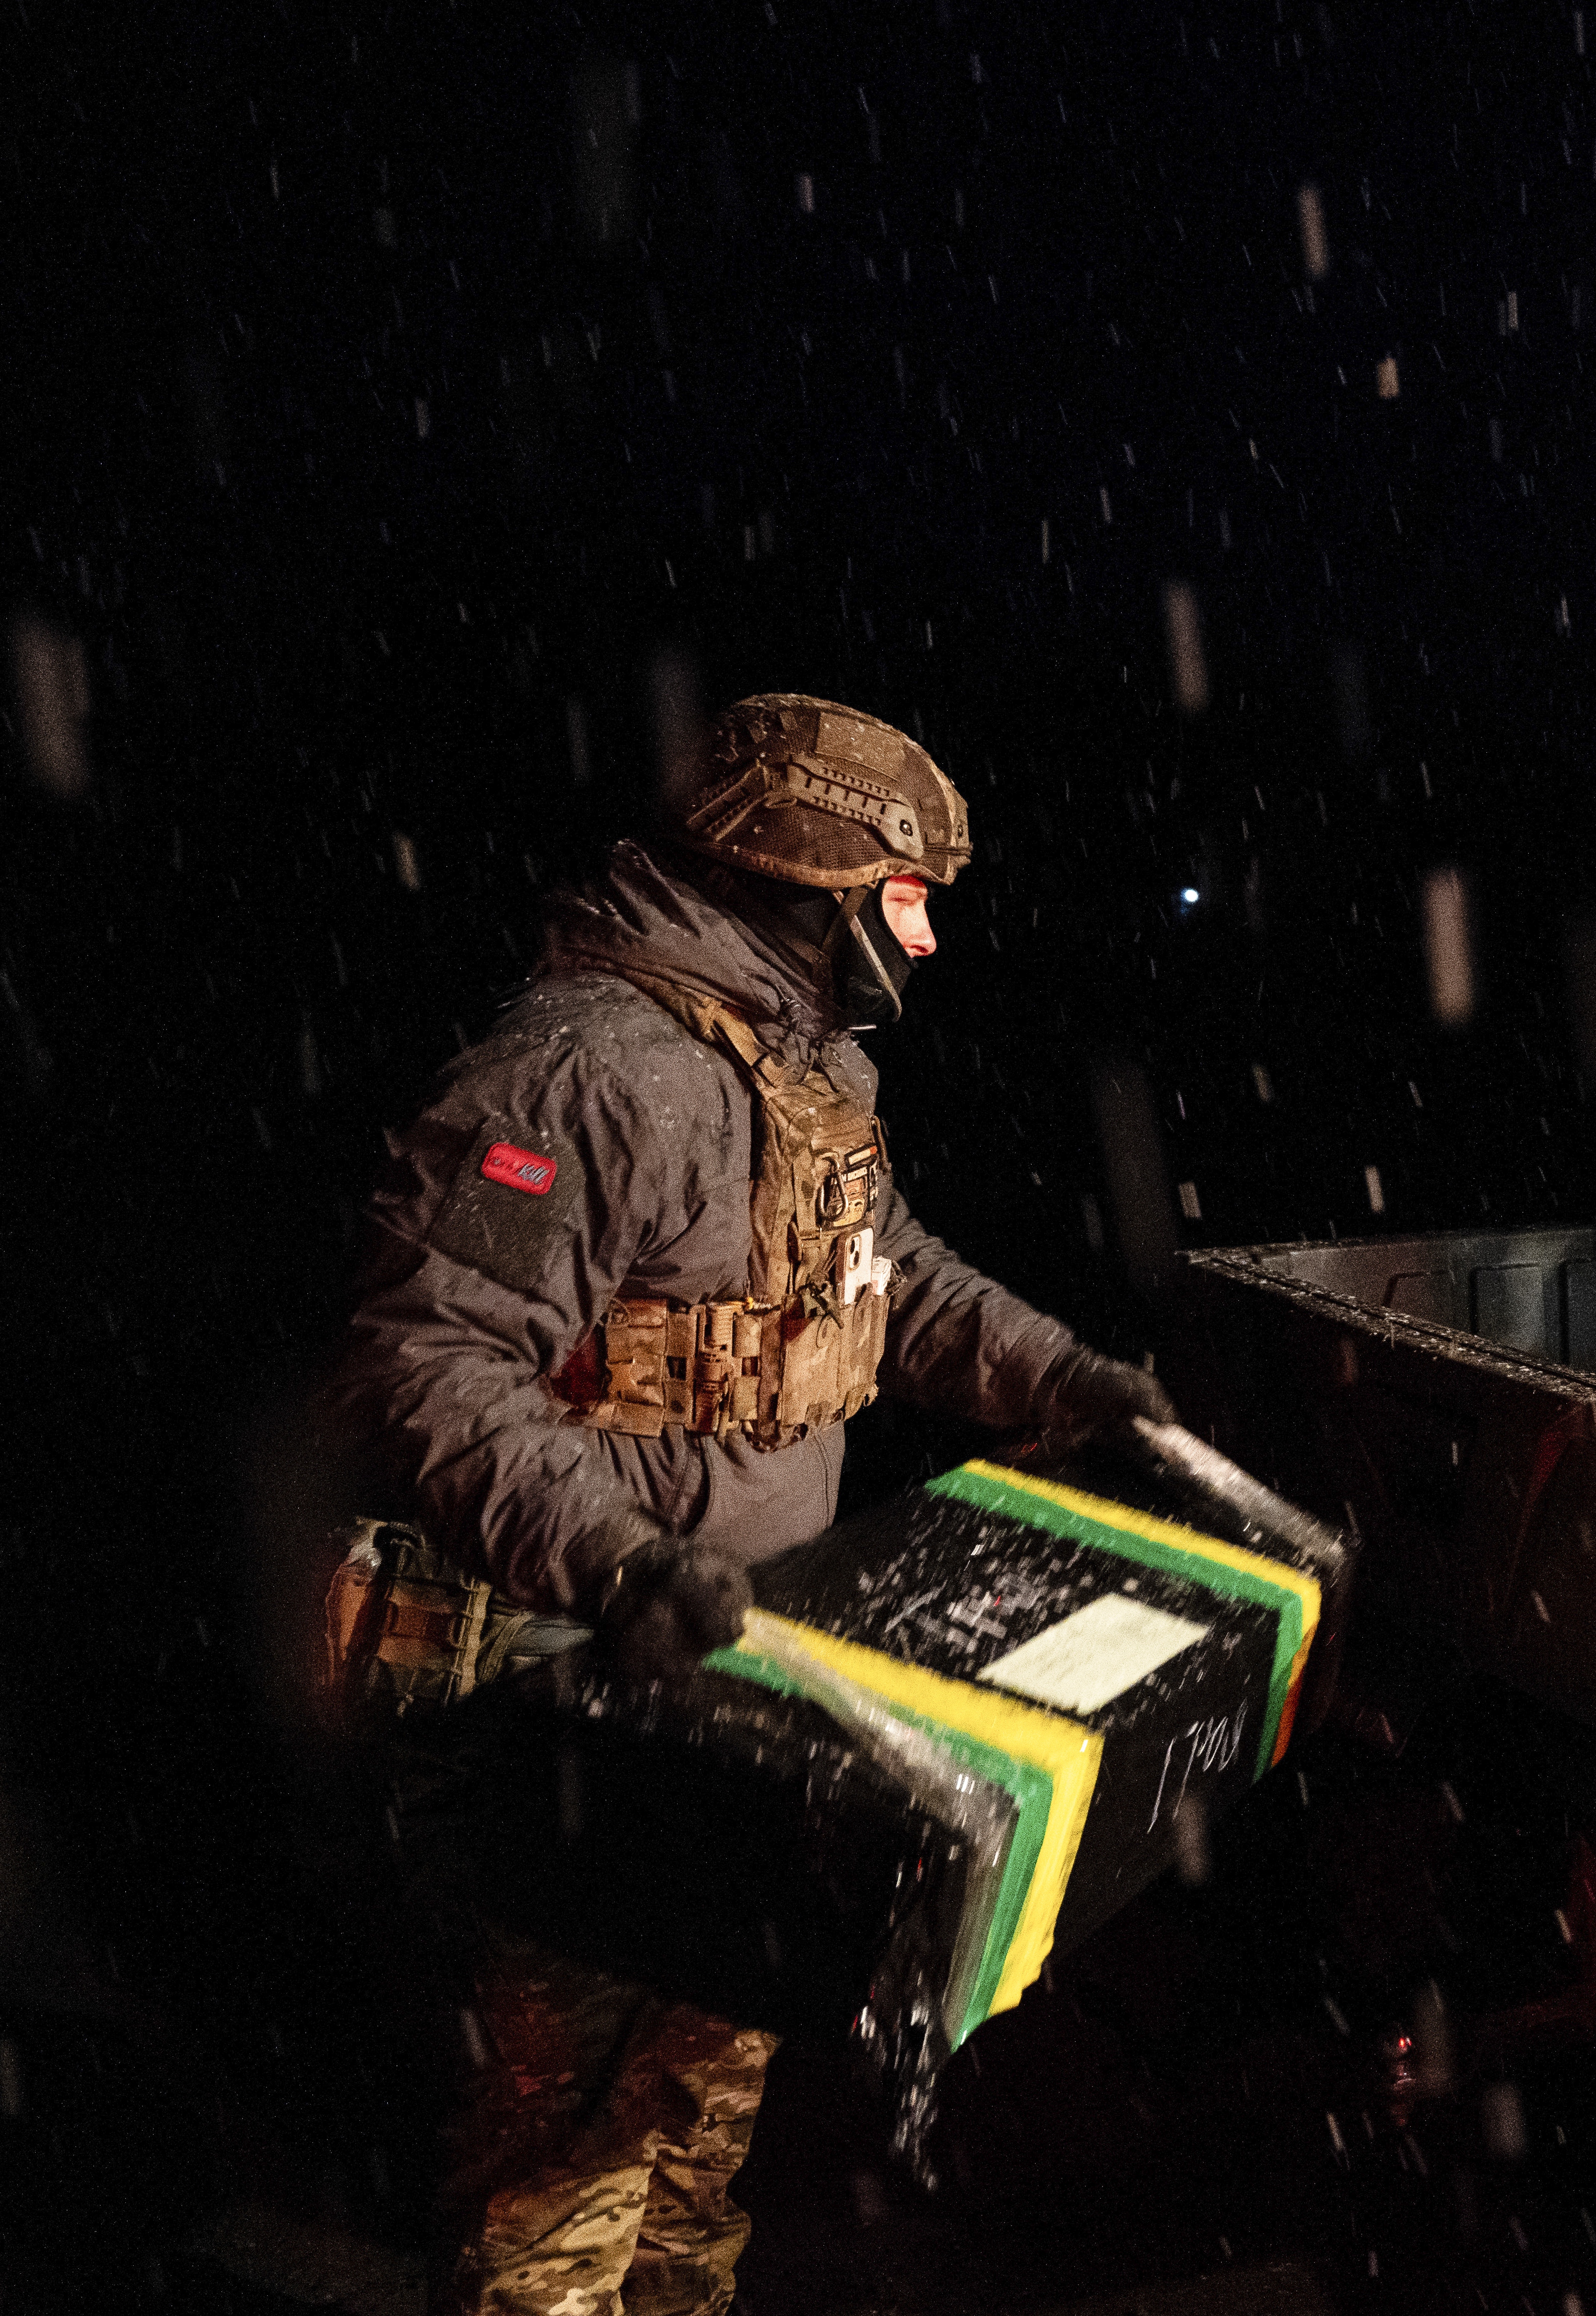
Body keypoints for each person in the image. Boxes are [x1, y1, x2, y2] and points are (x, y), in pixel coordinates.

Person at [329, 693, 1173, 2316]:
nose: (924, 944)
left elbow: (890, 1283)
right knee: (564, 2166)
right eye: (906, 902)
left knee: (699, 2116)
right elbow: (422, 1361)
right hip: (578, 1696)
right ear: (812, 885)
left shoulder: (805, 1068)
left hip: (742, 1689)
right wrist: (621, 1558)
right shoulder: (585, 1073)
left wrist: (1067, 1376)